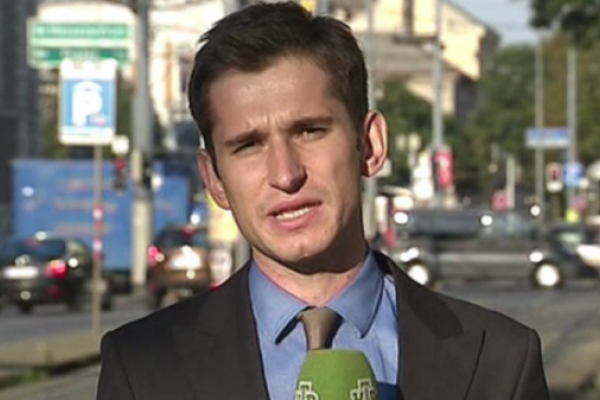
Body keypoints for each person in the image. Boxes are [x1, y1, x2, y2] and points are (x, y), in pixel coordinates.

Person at [96, 2, 550, 399]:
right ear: (214, 178)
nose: (285, 174)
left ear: (370, 145)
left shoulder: (500, 360)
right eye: (248, 145)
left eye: (309, 131)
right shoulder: (142, 368)